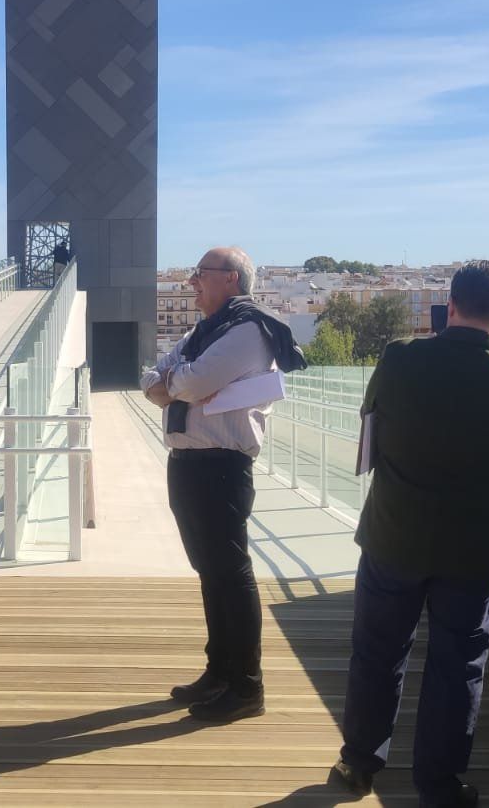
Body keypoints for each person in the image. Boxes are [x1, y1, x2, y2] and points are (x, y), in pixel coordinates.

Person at [329, 261, 489, 808]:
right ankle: (439, 787)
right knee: (457, 666)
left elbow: (370, 413)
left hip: (393, 535)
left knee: (377, 652)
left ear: (449, 306)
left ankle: (358, 762)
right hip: (471, 547)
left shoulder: (401, 359)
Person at [140, 246, 307, 723]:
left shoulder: (247, 330)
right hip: (190, 463)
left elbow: (188, 382)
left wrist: (178, 382)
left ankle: (247, 687)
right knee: (211, 573)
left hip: (220, 467)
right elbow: (156, 377)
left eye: (201, 274)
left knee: (230, 575)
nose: (192, 282)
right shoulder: (204, 331)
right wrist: (177, 381)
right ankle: (219, 673)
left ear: (231, 279)